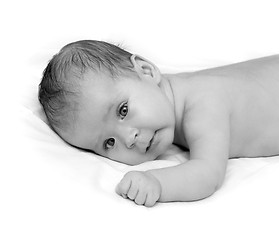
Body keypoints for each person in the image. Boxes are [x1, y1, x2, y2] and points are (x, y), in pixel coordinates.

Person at [39, 40, 279, 207]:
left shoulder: (203, 104)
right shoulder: (171, 98)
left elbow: (208, 174)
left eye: (123, 110)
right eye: (108, 143)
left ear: (146, 70)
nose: (128, 138)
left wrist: (157, 183)